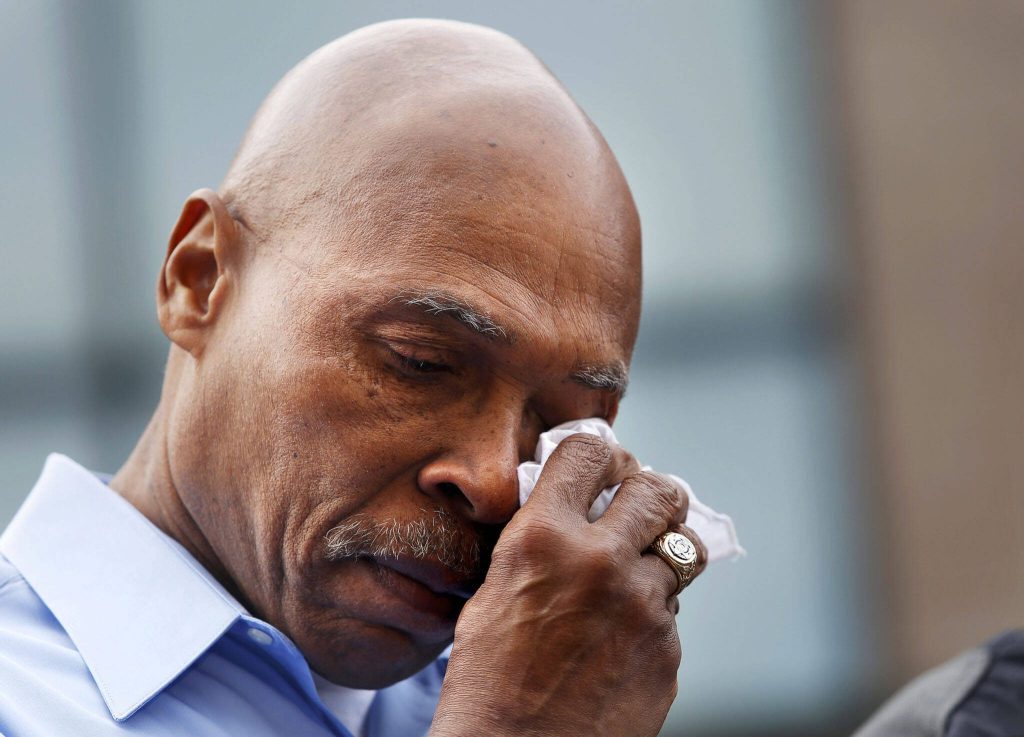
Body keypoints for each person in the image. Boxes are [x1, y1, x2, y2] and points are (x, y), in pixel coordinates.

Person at [0, 18, 708, 737]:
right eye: (421, 361)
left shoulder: (555, 688)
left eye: (564, 425)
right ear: (200, 278)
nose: (497, 481)